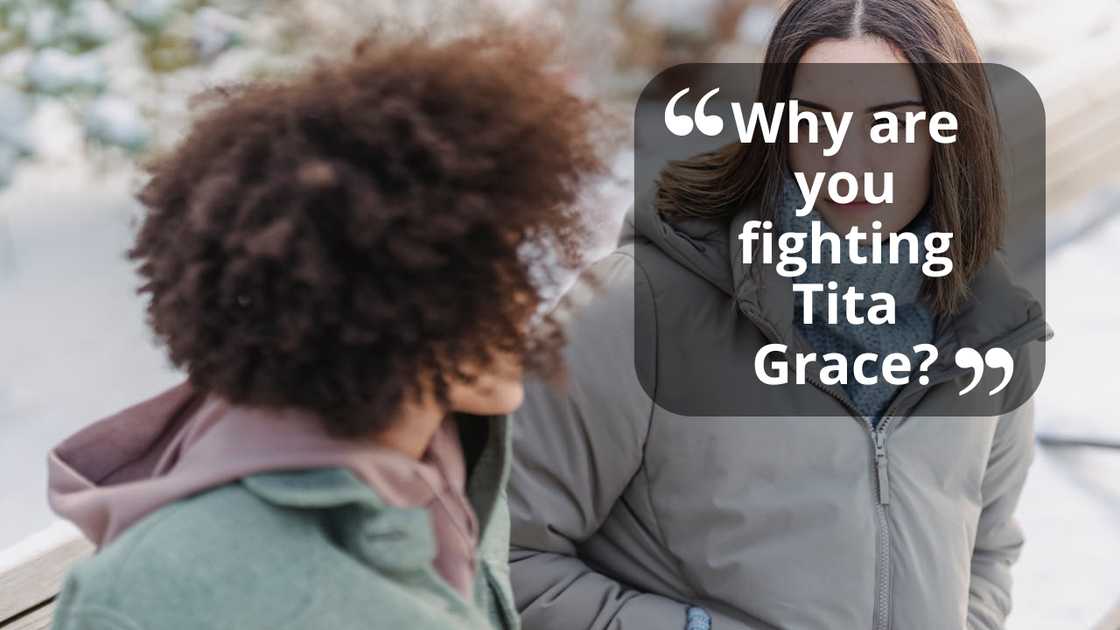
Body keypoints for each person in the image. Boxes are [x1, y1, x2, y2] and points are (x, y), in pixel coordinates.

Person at [507, 1, 1047, 629]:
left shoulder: (990, 330)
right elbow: (499, 553)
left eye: (890, 125)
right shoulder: (637, 312)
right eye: (815, 123)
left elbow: (986, 550)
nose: (848, 167)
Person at [47, 28, 604, 630]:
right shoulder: (173, 587)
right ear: (385, 309)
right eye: (487, 275)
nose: (524, 299)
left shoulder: (440, 465)